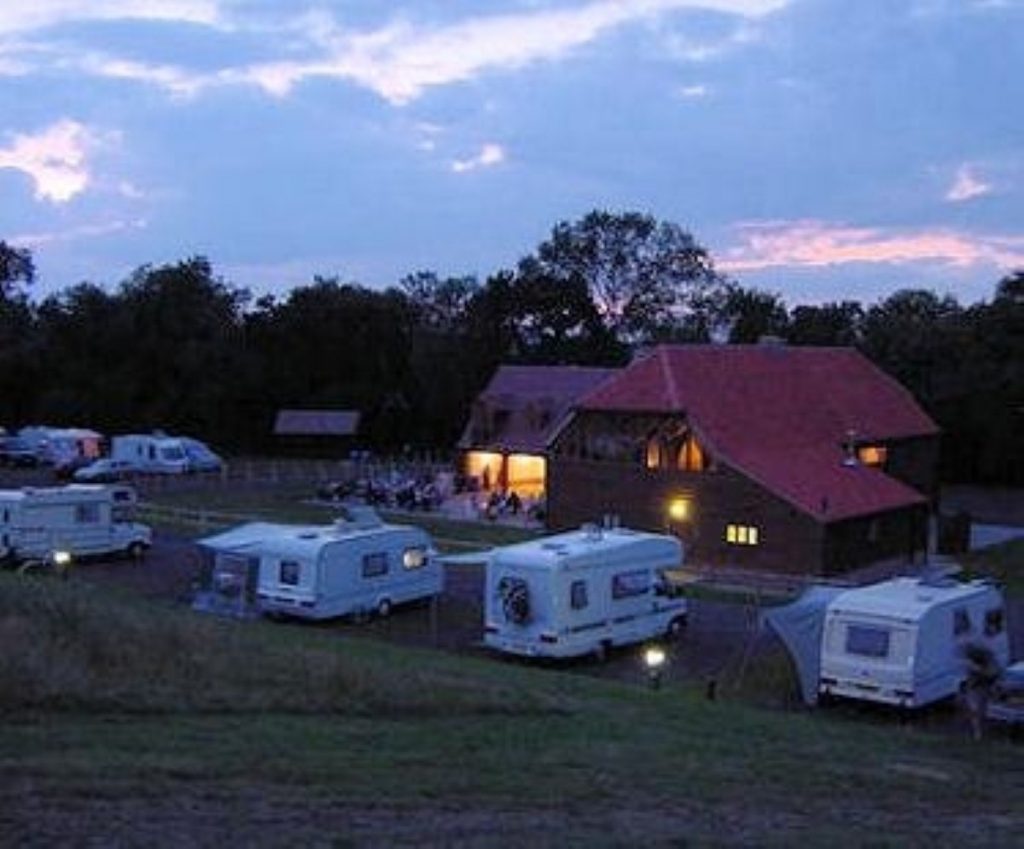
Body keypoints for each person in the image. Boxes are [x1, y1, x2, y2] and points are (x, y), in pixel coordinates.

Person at [962, 642, 1001, 741]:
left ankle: (980, 733)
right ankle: (976, 733)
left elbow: (992, 674)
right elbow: (970, 678)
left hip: (983, 687)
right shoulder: (971, 663)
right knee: (974, 711)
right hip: (975, 688)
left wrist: (978, 670)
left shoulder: (987, 661)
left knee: (982, 711)